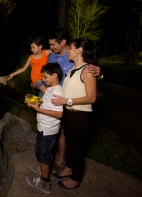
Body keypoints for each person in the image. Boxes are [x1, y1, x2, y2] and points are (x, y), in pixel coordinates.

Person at [37, 28, 102, 172]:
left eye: (53, 44)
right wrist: (40, 82)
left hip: (69, 105)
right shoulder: (52, 57)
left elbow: (89, 71)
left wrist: (100, 73)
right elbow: (39, 61)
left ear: (63, 42)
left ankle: (62, 160)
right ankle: (49, 160)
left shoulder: (75, 58)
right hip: (53, 101)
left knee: (65, 136)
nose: (51, 47)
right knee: (53, 132)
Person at [51, 38, 98, 189]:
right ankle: (68, 169)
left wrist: (66, 101)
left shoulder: (87, 70)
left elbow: (91, 98)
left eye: (71, 48)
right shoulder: (73, 69)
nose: (68, 51)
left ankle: (76, 178)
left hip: (81, 116)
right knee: (71, 145)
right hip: (70, 114)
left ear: (79, 50)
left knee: (77, 148)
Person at [25, 62, 64, 193]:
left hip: (48, 129)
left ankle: (44, 182)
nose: (43, 80)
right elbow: (48, 104)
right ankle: (45, 168)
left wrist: (38, 109)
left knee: (42, 155)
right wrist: (37, 102)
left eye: (45, 77)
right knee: (47, 153)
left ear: (55, 75)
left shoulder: (57, 92)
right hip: (45, 127)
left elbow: (59, 113)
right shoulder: (51, 89)